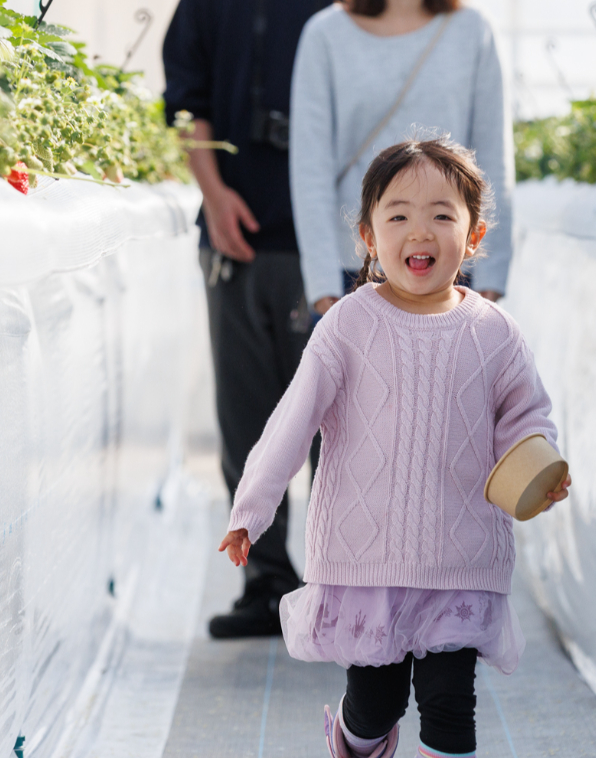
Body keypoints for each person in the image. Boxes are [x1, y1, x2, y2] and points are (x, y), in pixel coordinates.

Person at [219, 139, 572, 758]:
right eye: (399, 214)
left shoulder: (494, 332)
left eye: (443, 214)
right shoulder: (348, 326)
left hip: (460, 556)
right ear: (367, 235)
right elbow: (291, 424)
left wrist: (539, 465)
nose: (421, 231)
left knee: (449, 705)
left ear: (475, 234)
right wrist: (251, 510)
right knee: (376, 702)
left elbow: (526, 415)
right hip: (367, 558)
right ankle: (352, 741)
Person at [161, 0, 350, 639]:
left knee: (344, 426)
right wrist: (212, 190)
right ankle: (265, 585)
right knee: (250, 418)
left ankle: (347, 579)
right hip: (239, 236)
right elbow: (185, 103)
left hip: (341, 248)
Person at [288, 0, 513, 317]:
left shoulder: (473, 30)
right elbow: (310, 169)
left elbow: (493, 157)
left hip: (451, 266)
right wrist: (321, 288)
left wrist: (491, 280)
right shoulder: (325, 35)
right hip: (350, 271)